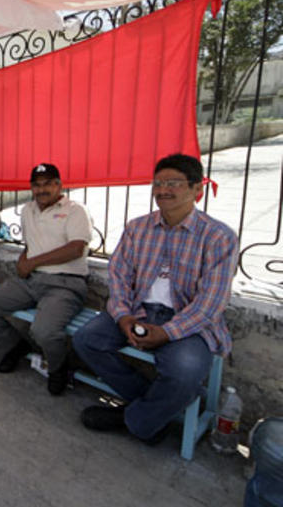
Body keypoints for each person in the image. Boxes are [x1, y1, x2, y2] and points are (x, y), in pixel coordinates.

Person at [72, 154, 238, 445]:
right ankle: (154, 411)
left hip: (188, 321)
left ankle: (134, 420)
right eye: (158, 183)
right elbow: (119, 276)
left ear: (197, 189)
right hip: (138, 310)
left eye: (173, 183)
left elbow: (211, 302)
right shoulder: (137, 228)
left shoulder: (218, 237)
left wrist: (167, 332)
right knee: (87, 340)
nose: (163, 190)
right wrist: (123, 315)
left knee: (184, 372)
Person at [0, 163, 92, 395]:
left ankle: (58, 368)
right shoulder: (28, 210)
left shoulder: (76, 210)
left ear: (59, 185)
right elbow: (32, 244)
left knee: (43, 331)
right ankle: (13, 347)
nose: (42, 190)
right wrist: (23, 260)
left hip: (65, 284)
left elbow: (76, 249)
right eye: (36, 185)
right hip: (32, 280)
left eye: (48, 184)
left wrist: (33, 262)